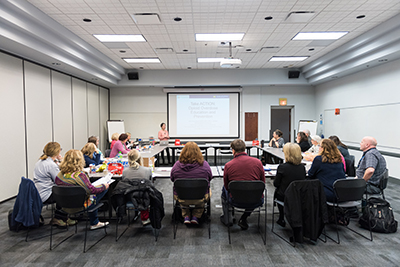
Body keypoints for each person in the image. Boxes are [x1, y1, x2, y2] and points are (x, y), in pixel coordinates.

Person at [55, 149, 109, 230]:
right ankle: (94, 222)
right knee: (99, 191)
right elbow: (91, 190)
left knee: (91, 193)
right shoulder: (80, 175)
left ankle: (95, 221)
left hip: (64, 206)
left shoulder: (60, 174)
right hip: (81, 206)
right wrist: (104, 186)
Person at [220, 139, 265, 230]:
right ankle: (244, 217)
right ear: (244, 149)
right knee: (254, 189)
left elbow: (227, 186)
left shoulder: (228, 165)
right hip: (256, 199)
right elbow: (262, 183)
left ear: (233, 150)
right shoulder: (258, 162)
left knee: (224, 190)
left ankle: (228, 219)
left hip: (235, 200)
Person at [33, 142, 76, 228]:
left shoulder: (40, 162)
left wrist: (59, 160)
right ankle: (59, 218)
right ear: (57, 152)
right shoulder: (51, 165)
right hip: (46, 194)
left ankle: (62, 217)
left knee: (63, 190)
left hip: (38, 193)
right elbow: (60, 181)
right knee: (66, 191)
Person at [170, 142, 213, 225]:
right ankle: (196, 216)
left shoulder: (176, 166)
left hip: (181, 198)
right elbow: (210, 178)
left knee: (183, 191)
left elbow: (172, 178)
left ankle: (186, 216)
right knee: (204, 191)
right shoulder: (205, 165)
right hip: (200, 197)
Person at [273, 143, 306, 227]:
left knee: (279, 191)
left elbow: (276, 184)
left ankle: (281, 218)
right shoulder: (302, 167)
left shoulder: (282, 167)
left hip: (285, 196)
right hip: (299, 196)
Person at [120, 149, 152, 225]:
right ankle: (146, 217)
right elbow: (150, 183)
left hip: (129, 197)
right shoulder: (147, 170)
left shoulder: (125, 171)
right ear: (140, 159)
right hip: (144, 198)